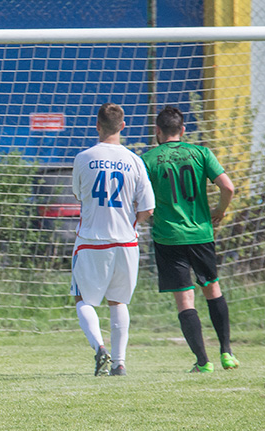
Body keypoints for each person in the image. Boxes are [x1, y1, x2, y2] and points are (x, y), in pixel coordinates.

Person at [141, 105, 238, 373]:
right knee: (212, 289)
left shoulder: (148, 159)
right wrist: (219, 210)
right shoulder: (201, 153)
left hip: (169, 237)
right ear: (183, 130)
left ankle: (203, 362)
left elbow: (142, 202)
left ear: (157, 131)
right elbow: (228, 187)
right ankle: (227, 353)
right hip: (201, 234)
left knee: (185, 300)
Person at [70, 103, 155, 376]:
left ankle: (99, 348)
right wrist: (128, 220)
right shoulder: (134, 160)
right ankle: (119, 363)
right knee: (119, 301)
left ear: (97, 125)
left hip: (91, 240)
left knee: (83, 299)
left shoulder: (84, 158)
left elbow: (78, 196)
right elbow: (148, 209)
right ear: (123, 126)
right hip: (126, 241)